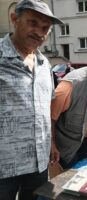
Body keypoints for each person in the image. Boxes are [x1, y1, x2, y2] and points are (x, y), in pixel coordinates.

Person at [0, 0, 64, 199]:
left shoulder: (45, 64)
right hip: (4, 166)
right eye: (33, 23)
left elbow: (47, 108)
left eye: (45, 28)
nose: (39, 32)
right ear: (14, 20)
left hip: (38, 163)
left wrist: (52, 143)